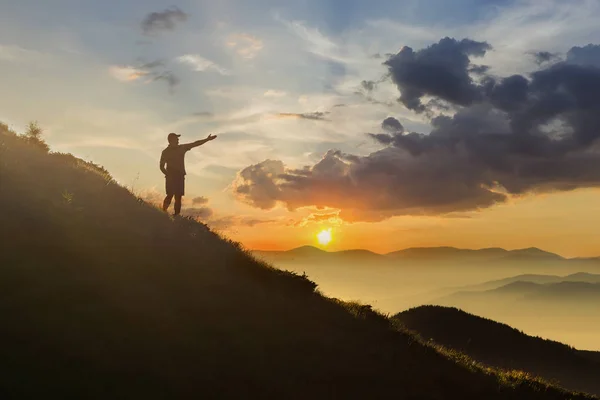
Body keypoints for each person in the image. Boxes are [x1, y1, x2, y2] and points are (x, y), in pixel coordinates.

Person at [160, 132, 217, 216]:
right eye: (176, 138)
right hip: (171, 177)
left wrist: (207, 139)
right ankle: (163, 212)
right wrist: (168, 175)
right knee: (170, 195)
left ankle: (176, 215)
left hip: (180, 176)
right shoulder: (165, 152)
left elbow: (195, 143)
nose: (178, 140)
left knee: (178, 197)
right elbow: (161, 166)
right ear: (171, 140)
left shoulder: (182, 148)